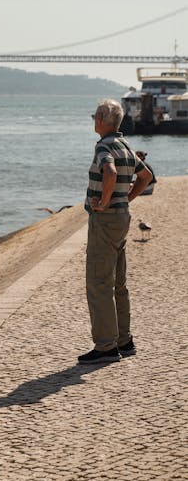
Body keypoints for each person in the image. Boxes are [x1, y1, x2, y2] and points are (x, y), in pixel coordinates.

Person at [79, 99, 153, 364]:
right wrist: (125, 199)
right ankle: (124, 340)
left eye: (94, 116)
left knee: (99, 282)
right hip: (122, 218)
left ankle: (106, 347)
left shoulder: (105, 146)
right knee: (118, 282)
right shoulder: (125, 145)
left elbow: (109, 171)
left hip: (105, 220)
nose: (93, 121)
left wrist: (107, 200)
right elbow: (145, 177)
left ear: (101, 118)